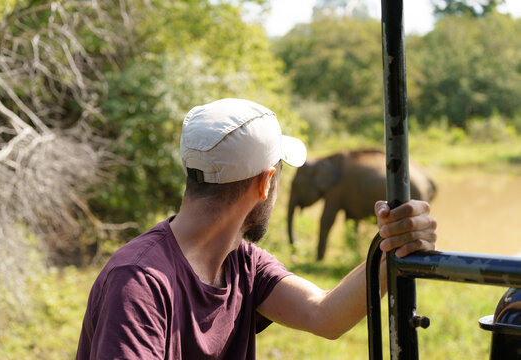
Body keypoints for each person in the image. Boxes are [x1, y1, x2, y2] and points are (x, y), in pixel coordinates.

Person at [76, 98, 437, 359]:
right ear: (266, 183)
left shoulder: (242, 262)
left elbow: (323, 314)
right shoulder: (138, 282)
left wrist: (392, 249)